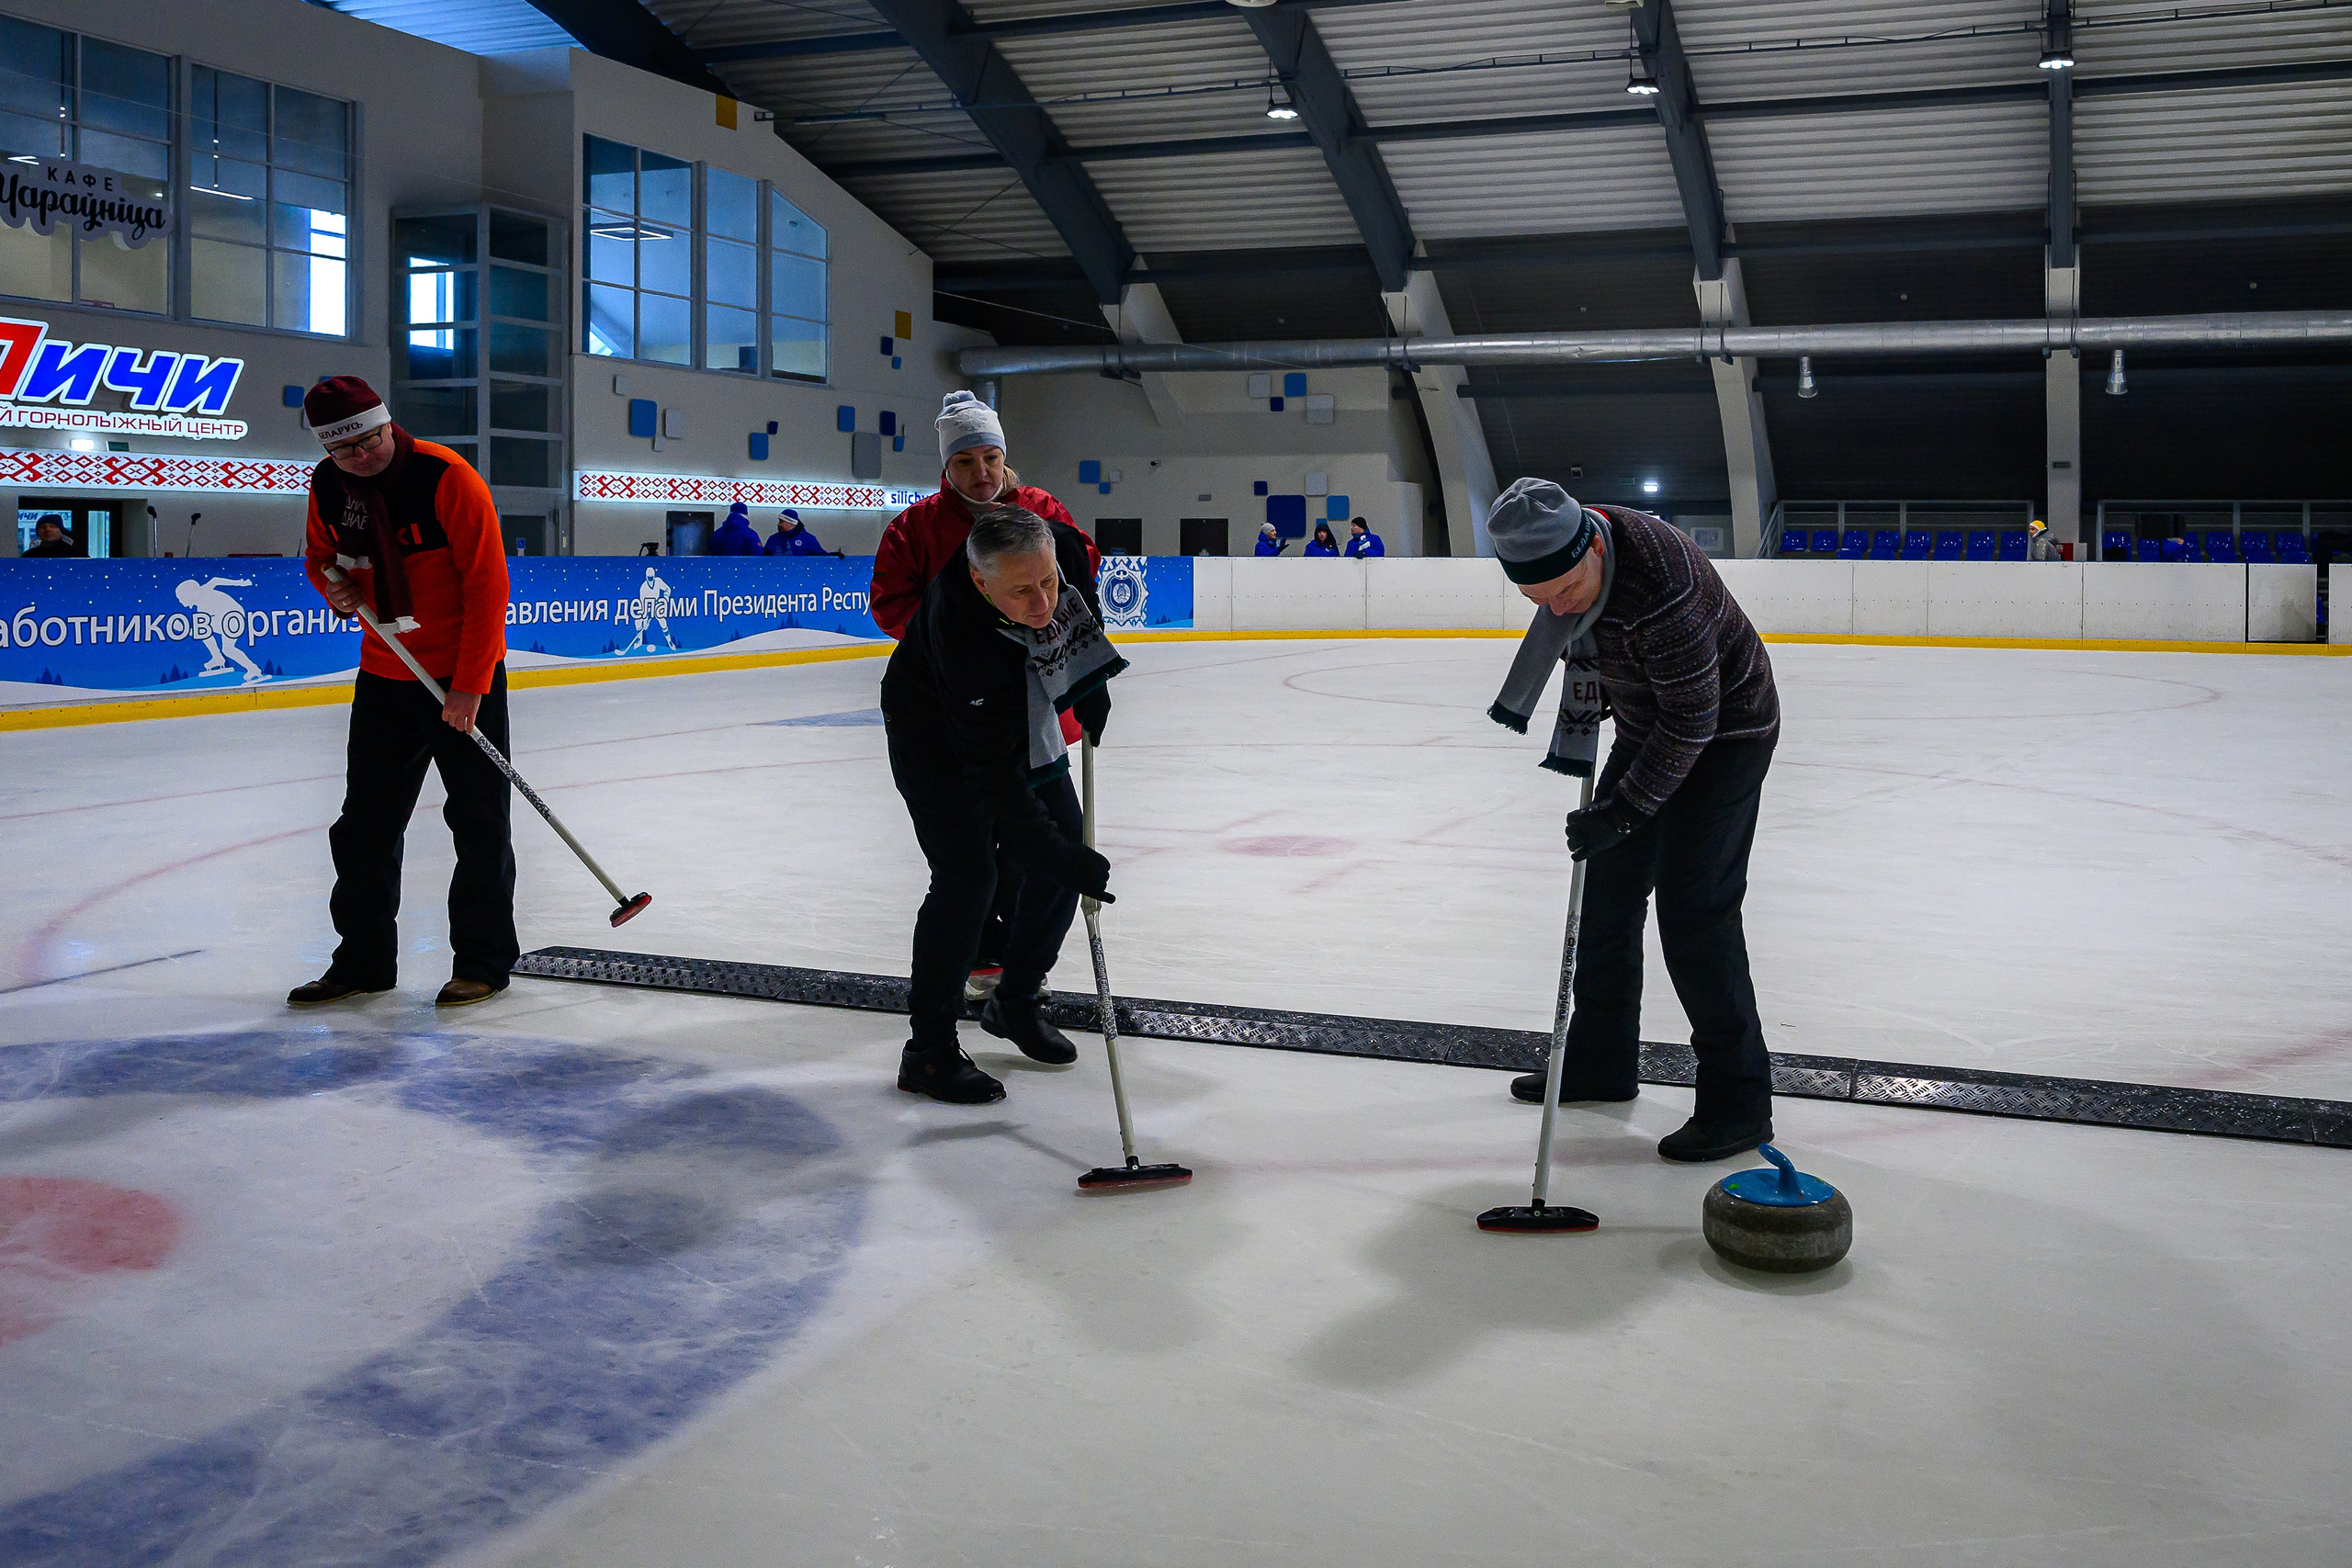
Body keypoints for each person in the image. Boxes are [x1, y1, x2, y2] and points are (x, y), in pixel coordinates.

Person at [1486, 478, 1781, 1163]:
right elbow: (1610, 670)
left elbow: (1692, 722)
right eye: (1539, 601)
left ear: (1593, 543)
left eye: (1567, 591)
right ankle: (1601, 1060)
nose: (1558, 609)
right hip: (1651, 726)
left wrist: (1622, 811)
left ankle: (1740, 1100)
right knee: (1607, 892)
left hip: (1728, 732)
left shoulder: (1662, 586)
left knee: (1696, 910)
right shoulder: (1569, 574)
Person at [288, 375, 517, 1011]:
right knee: (364, 824)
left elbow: (488, 588)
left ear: (389, 425)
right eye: (345, 450)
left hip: (462, 676)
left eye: (370, 440)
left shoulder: (447, 478)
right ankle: (361, 961)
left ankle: (482, 961)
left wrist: (469, 687)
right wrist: (332, 587)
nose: (361, 457)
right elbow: (320, 557)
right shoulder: (328, 486)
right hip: (386, 676)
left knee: (478, 822)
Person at [879, 503, 1122, 1103]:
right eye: (1022, 591)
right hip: (936, 736)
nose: (1042, 601)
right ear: (981, 580)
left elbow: (1075, 586)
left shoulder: (1052, 547)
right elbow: (995, 780)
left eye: (1046, 581)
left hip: (1023, 707)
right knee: (968, 876)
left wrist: (1091, 675)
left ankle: (1016, 998)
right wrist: (1059, 858)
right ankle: (928, 1053)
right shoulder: (963, 637)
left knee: (1069, 831)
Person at [872, 390, 1098, 1004]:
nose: (981, 473)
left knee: (1036, 840)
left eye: (990, 458)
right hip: (955, 709)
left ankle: (1018, 969)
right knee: (976, 852)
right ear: (946, 468)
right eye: (966, 461)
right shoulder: (916, 527)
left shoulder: (1039, 510)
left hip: (1033, 704)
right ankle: (978, 955)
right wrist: (962, 637)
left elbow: (1078, 565)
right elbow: (890, 603)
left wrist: (1087, 668)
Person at [765, 509, 832, 556]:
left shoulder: (808, 539)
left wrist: (834, 555)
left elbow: (821, 556)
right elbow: (764, 557)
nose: (779, 524)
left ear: (790, 523)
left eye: (781, 522)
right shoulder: (773, 539)